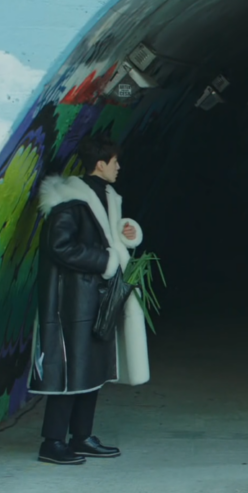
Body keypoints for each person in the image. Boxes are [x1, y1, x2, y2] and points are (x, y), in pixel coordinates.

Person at [28, 131, 150, 465]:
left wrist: (125, 232)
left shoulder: (107, 195)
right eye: (114, 161)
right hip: (72, 301)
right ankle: (52, 442)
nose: (119, 167)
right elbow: (60, 246)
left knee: (92, 370)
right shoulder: (69, 200)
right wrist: (108, 261)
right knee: (70, 371)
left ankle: (81, 437)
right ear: (100, 163)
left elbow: (106, 235)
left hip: (95, 299)